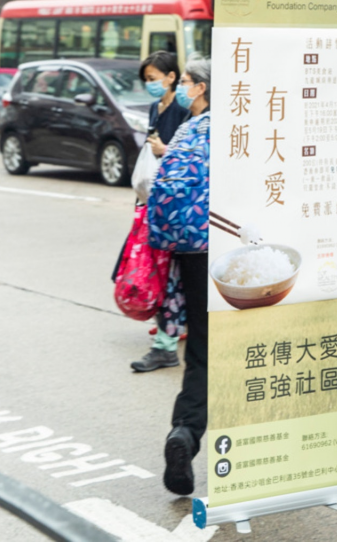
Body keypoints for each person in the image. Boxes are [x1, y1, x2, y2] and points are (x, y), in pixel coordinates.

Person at [161, 57, 212, 494]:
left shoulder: (187, 132)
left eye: (189, 81)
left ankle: (186, 432)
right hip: (241, 256)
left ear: (200, 88)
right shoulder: (244, 128)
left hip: (192, 253)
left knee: (201, 350)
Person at [129, 51, 192, 373]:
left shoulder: (188, 111)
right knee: (158, 269)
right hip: (156, 201)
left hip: (179, 208)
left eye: (155, 78)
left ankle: (170, 336)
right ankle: (171, 329)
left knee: (172, 274)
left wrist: (165, 150)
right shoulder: (158, 107)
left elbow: (185, 158)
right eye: (147, 80)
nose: (150, 85)